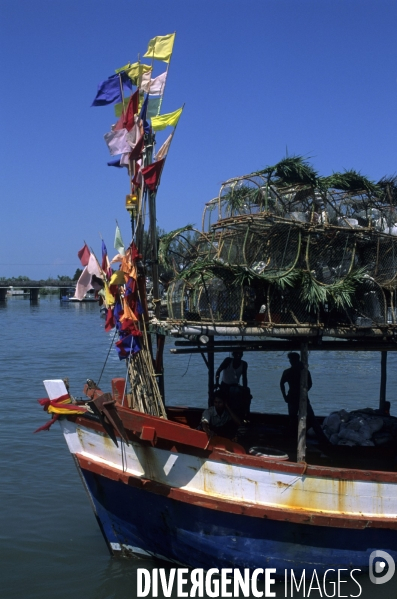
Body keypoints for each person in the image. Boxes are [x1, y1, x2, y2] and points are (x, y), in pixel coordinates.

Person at [280, 352, 329, 445]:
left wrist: (303, 392)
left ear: (297, 360)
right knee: (293, 418)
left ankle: (322, 439)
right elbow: (282, 383)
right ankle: (292, 437)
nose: (291, 362)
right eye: (290, 360)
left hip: (300, 397)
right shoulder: (289, 372)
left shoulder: (303, 371)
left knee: (310, 417)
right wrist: (285, 396)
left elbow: (309, 384)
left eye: (292, 360)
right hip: (292, 397)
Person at [216, 351, 250, 420]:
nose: (238, 356)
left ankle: (245, 415)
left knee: (247, 393)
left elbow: (244, 378)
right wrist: (217, 383)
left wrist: (245, 388)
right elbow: (218, 371)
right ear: (233, 355)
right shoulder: (228, 361)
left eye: (240, 355)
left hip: (235, 386)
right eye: (236, 355)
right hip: (224, 385)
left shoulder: (244, 364)